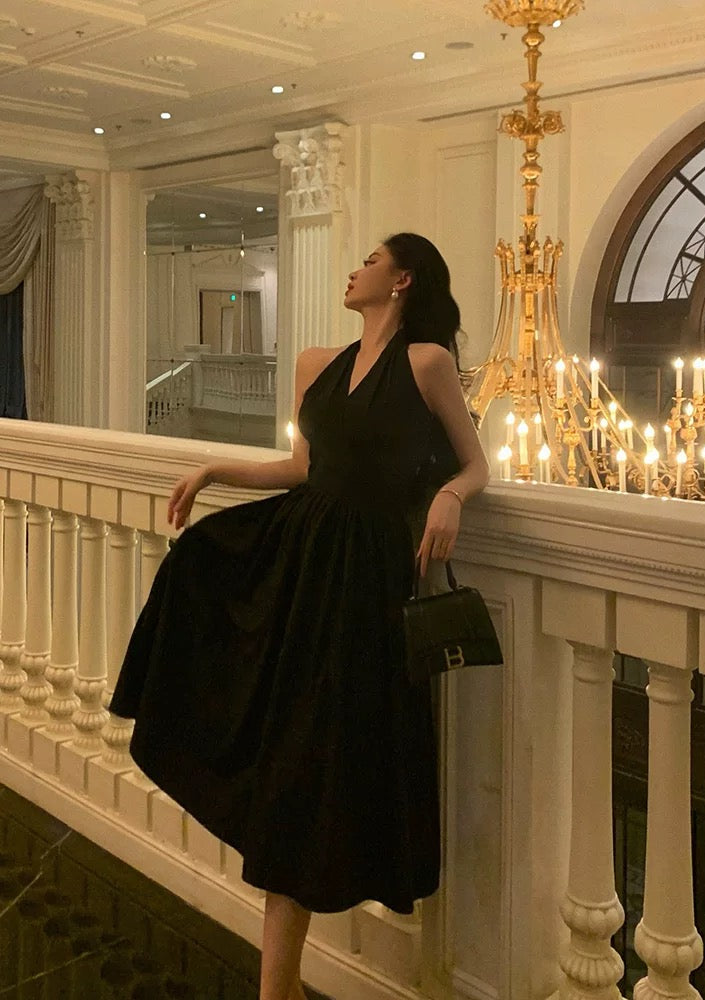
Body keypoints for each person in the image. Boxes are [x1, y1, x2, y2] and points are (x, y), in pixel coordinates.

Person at [110, 232, 490, 1000]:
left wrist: (452, 495)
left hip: (367, 581)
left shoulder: (427, 364)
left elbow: (476, 461)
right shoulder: (317, 363)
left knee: (322, 764)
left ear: (403, 280)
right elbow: (301, 469)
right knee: (284, 748)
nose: (354, 270)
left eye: (371, 261)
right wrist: (212, 468)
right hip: (301, 560)